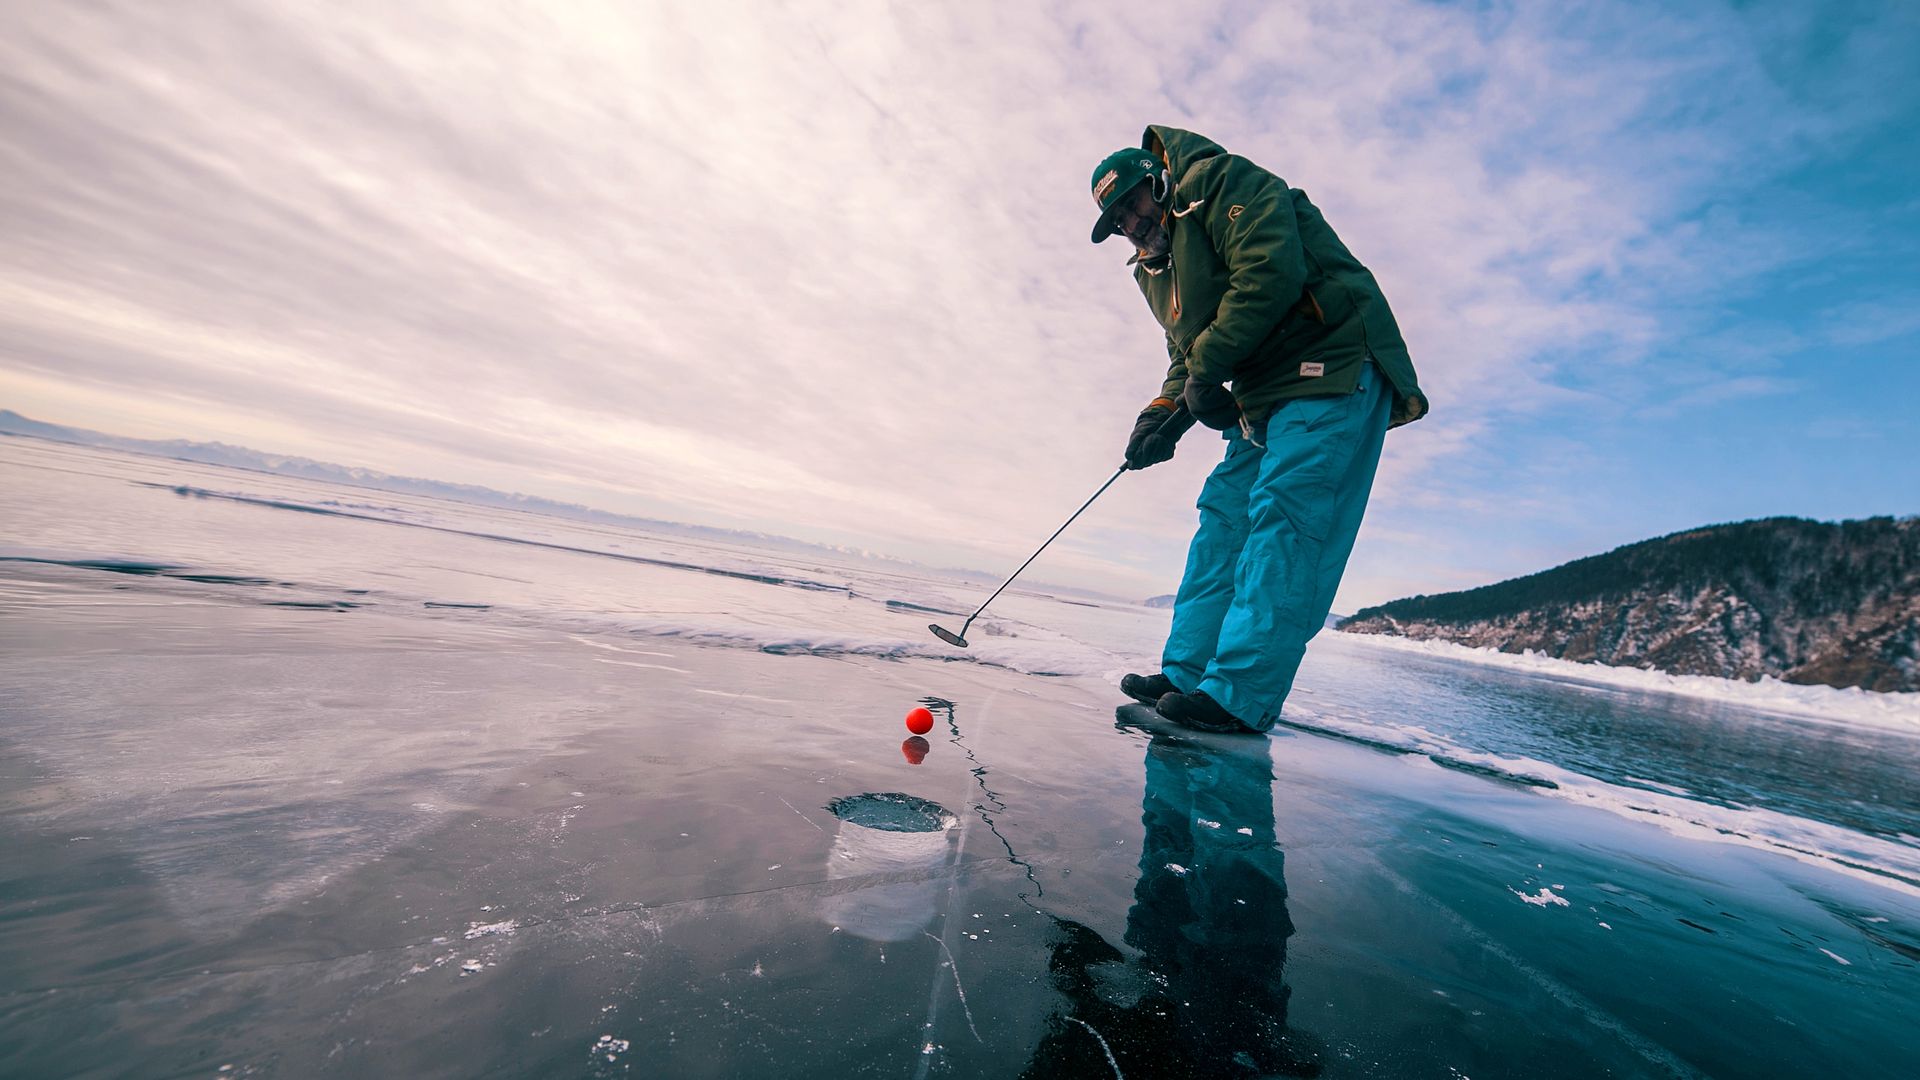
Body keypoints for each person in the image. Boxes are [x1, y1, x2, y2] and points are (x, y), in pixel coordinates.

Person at [1090, 126, 1428, 734]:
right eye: (1117, 222)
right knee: (1222, 518)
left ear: (1157, 181)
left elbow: (1269, 270)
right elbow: (1187, 353)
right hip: (1261, 395)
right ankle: (1188, 674)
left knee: (1286, 518)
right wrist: (1163, 413)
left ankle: (1239, 695)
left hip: (1331, 362)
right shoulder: (1153, 271)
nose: (1132, 225)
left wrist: (1206, 372)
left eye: (1134, 205)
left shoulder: (1219, 184)